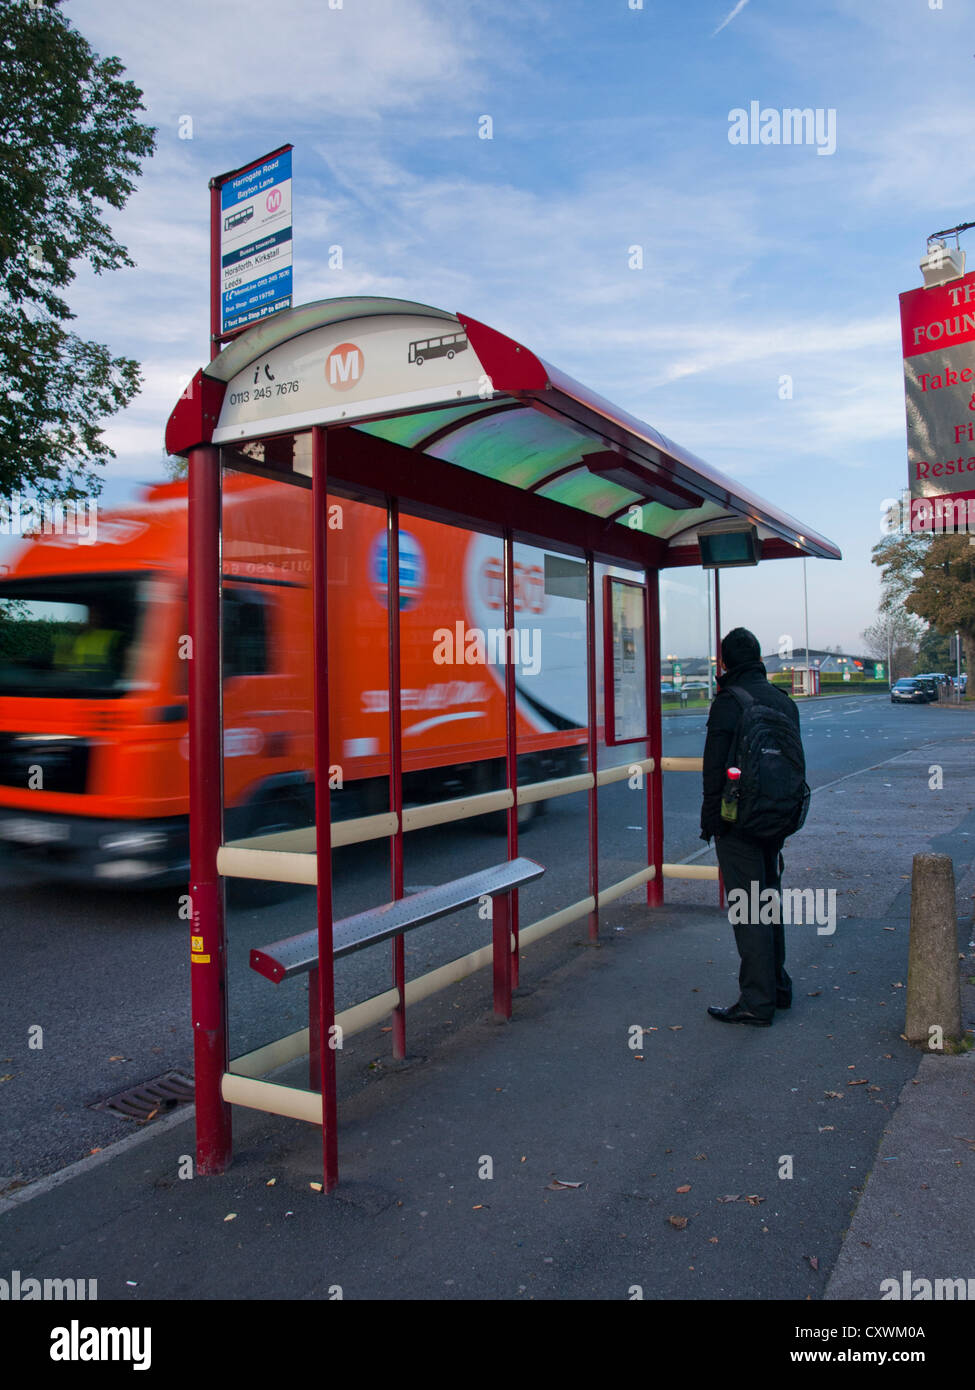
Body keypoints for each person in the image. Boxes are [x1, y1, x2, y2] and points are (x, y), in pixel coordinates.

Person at [700, 627, 804, 1026]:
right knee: (768, 902)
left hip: (738, 822)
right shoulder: (782, 700)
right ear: (758, 657)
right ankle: (777, 988)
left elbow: (713, 772)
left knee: (748, 910)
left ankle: (755, 1002)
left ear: (725, 662)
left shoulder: (729, 702)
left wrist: (712, 823)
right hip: (777, 819)